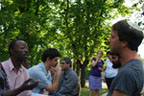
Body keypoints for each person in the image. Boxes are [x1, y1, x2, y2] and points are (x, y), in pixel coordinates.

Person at [107, 20, 144, 96]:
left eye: (113, 37)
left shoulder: (127, 73)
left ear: (124, 42)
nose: (109, 40)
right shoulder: (137, 65)